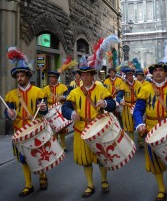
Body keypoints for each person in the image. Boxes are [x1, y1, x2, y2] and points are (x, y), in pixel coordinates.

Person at [133, 62, 167, 201]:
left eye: (161, 71)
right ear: (152, 73)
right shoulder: (145, 88)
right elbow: (138, 109)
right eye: (155, 71)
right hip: (152, 128)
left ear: (166, 73)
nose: (158, 73)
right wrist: (139, 123)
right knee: (155, 159)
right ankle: (161, 188)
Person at [62, 66, 116, 198]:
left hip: (98, 128)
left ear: (93, 76)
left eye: (88, 75)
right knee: (85, 159)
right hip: (81, 129)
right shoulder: (74, 92)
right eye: (82, 75)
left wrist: (105, 103)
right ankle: (90, 185)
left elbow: (112, 104)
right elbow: (65, 108)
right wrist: (71, 113)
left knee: (101, 157)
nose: (85, 77)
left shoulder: (101, 89)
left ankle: (104, 180)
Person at [4, 60, 48, 197]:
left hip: (35, 130)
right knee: (23, 158)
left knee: (38, 155)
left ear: (28, 77)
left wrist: (44, 108)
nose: (19, 79)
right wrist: (9, 113)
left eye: (22, 76)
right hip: (20, 130)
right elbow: (8, 112)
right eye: (17, 77)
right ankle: (28, 185)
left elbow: (44, 111)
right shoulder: (11, 94)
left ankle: (42, 177)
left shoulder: (38, 92)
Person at [43, 71, 69, 151]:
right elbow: (43, 100)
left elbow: (68, 96)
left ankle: (63, 144)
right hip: (50, 110)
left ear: (57, 78)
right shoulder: (45, 88)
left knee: (61, 128)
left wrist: (64, 97)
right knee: (53, 129)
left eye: (53, 77)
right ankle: (56, 146)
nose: (51, 79)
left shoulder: (63, 87)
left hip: (60, 108)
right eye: (50, 77)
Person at [116, 68, 142, 144]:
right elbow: (118, 96)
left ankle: (140, 140)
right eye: (128, 75)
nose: (130, 77)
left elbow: (143, 95)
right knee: (129, 125)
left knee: (139, 122)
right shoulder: (123, 85)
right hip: (127, 106)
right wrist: (121, 100)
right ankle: (132, 142)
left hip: (137, 105)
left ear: (133, 75)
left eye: (131, 75)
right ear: (126, 76)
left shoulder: (139, 84)